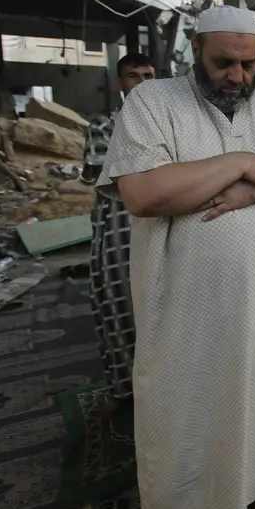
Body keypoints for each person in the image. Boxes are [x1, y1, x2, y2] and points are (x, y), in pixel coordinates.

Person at [96, 5, 255, 509]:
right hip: (186, 311)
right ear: (195, 54)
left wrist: (254, 190)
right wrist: (242, 162)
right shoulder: (153, 104)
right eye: (225, 63)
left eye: (249, 64)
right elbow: (145, 194)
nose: (239, 76)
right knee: (182, 415)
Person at [82, 53, 154, 414]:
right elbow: (113, 177)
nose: (141, 83)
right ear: (119, 84)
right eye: (133, 76)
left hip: (160, 228)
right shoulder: (104, 125)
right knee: (118, 310)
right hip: (117, 234)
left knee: (161, 315)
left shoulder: (169, 124)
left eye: (148, 75)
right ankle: (124, 391)